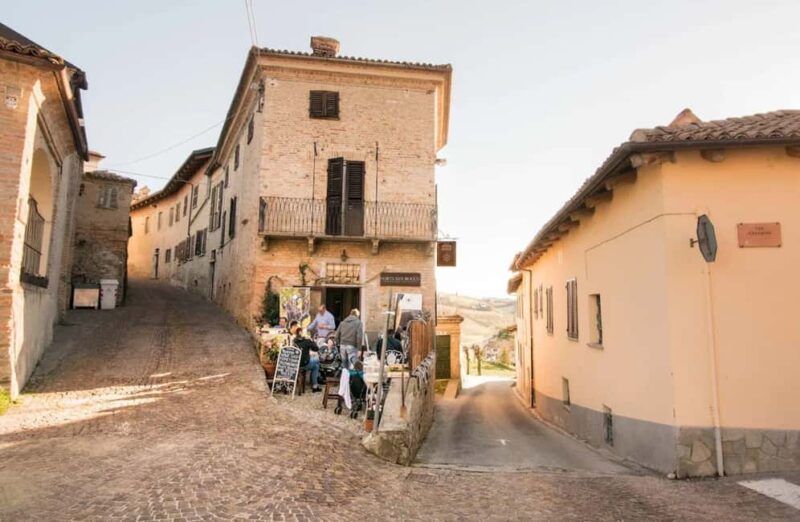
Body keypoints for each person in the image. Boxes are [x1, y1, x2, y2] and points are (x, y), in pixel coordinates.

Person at [291, 322, 321, 392]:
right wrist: (311, 340)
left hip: (295, 364)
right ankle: (314, 386)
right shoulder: (307, 341)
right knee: (317, 362)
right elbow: (316, 348)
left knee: (316, 365)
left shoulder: (293, 341)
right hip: (304, 364)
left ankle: (314, 385)